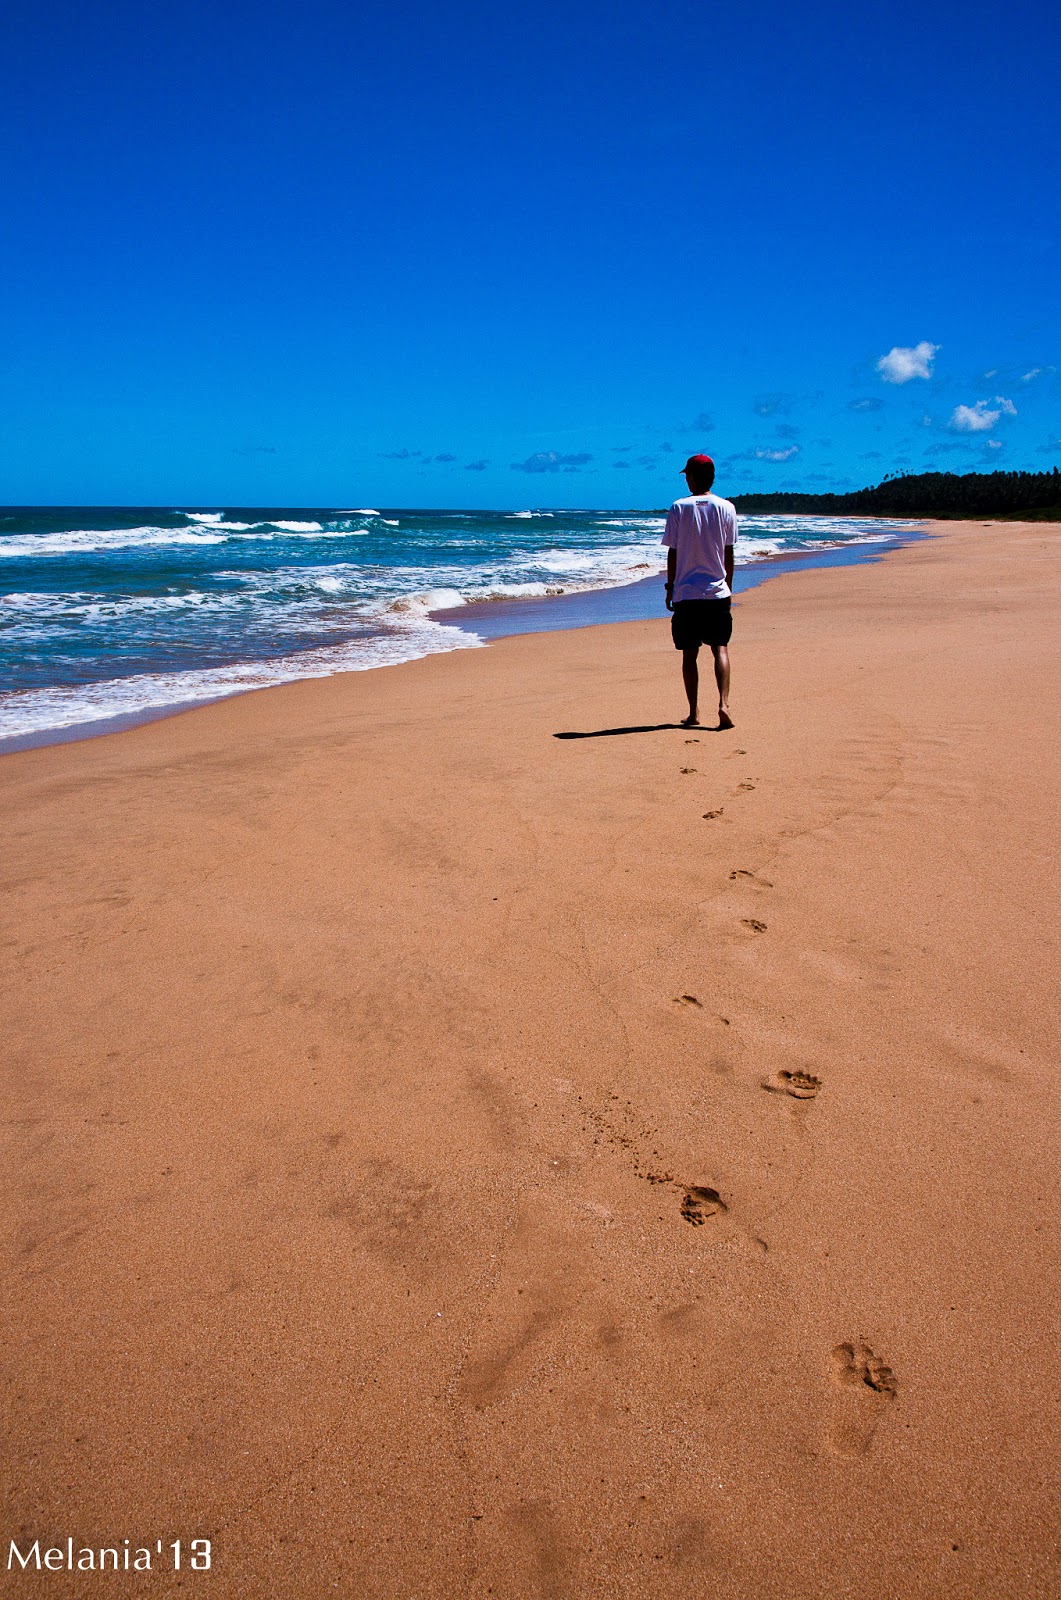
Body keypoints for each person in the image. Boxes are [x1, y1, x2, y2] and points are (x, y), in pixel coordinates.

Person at [663, 453, 736, 729]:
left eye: (688, 475)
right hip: (717, 591)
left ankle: (694, 713)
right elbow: (729, 553)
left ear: (692, 477)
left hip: (687, 593)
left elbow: (673, 552)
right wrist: (728, 586)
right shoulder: (726, 508)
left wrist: (670, 587)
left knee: (689, 654)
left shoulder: (679, 508)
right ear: (712, 478)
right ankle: (724, 705)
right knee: (721, 649)